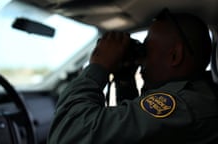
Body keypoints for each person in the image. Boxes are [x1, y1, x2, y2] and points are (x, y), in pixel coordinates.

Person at [48, 8, 218, 144]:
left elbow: (69, 135)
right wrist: (125, 80)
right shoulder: (196, 95)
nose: (141, 58)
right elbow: (135, 130)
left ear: (175, 56)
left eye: (146, 49)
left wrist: (98, 67)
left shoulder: (185, 105)